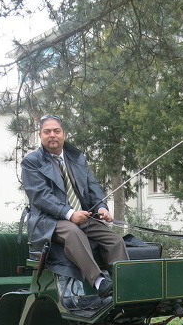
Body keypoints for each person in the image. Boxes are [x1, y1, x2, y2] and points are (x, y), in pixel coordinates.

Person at [21, 114, 128, 309]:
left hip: (82, 217)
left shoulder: (77, 158)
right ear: (40, 135)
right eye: (47, 131)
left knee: (115, 240)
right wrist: (69, 213)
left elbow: (92, 186)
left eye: (56, 131)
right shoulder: (31, 162)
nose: (52, 135)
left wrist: (102, 207)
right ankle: (100, 283)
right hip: (47, 221)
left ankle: (125, 287)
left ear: (64, 134)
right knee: (72, 232)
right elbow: (40, 196)